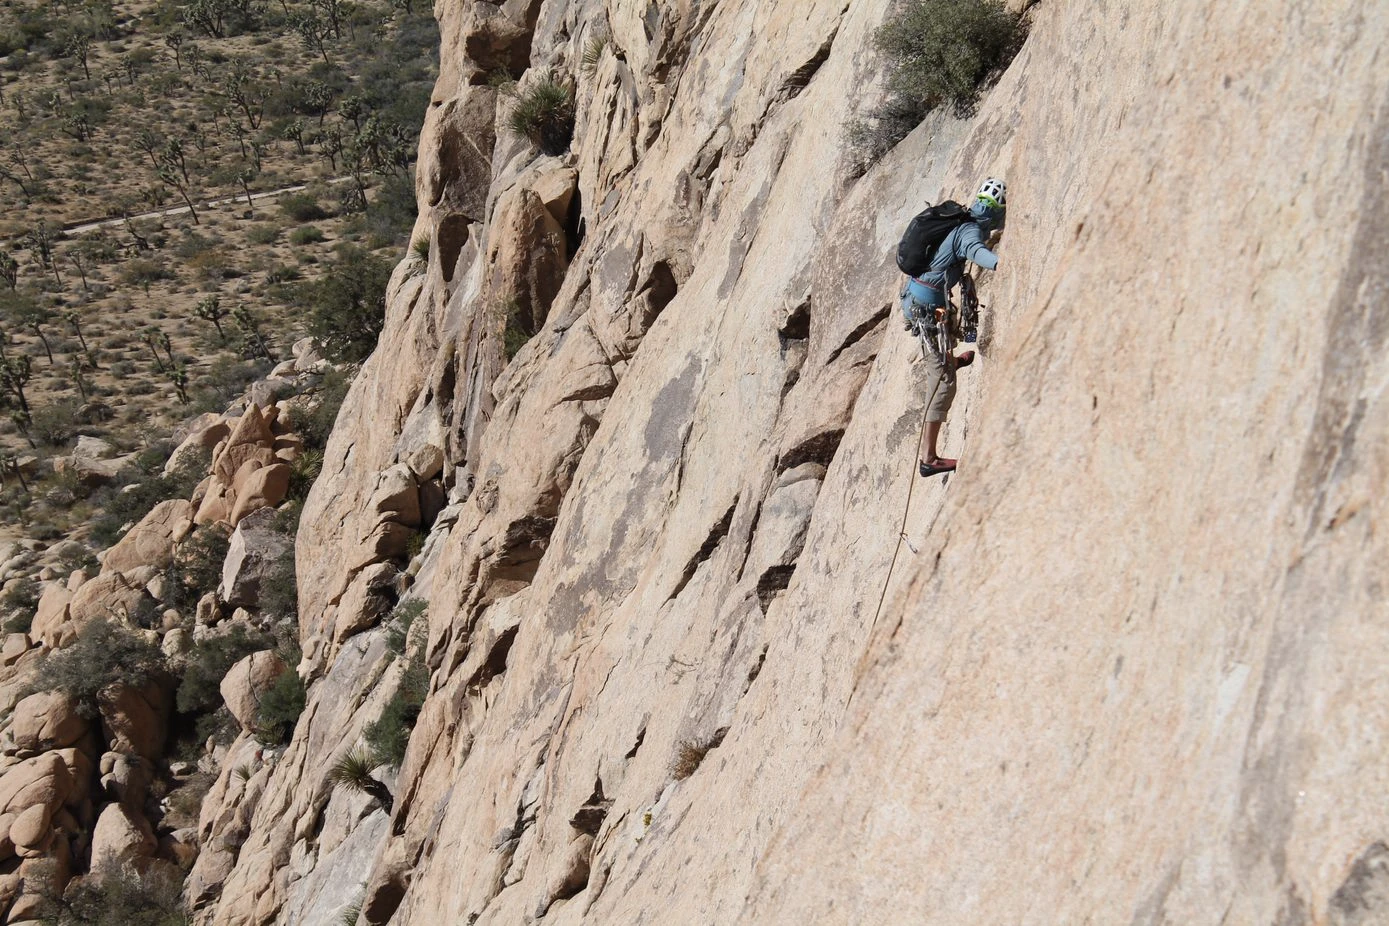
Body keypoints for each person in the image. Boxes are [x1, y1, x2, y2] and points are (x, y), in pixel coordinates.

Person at [900, 177, 1006, 477]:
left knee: (943, 350)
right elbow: (976, 251)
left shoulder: (963, 218)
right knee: (942, 381)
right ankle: (929, 459)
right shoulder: (971, 229)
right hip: (925, 307)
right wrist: (1003, 263)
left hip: (916, 297)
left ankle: (949, 360)